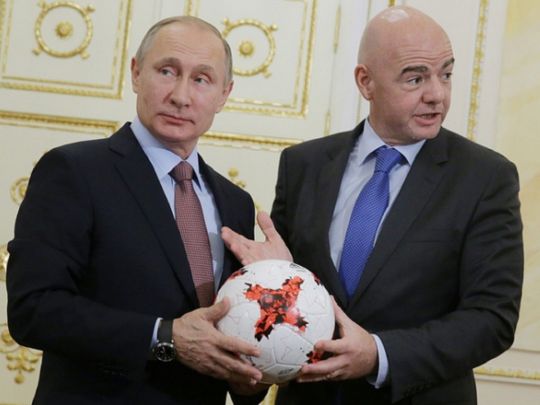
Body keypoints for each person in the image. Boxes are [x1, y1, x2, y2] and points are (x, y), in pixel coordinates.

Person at [221, 5, 523, 405]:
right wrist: (270, 279)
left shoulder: (486, 177)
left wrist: (379, 355)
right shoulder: (303, 165)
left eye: (446, 74)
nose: (437, 94)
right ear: (366, 82)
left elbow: (492, 319)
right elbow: (288, 295)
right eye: (415, 78)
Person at [7, 16, 267, 404]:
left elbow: (229, 340)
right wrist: (164, 336)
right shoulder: (73, 171)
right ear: (136, 73)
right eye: (167, 71)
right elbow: (33, 310)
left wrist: (251, 379)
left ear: (224, 94)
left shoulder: (236, 202)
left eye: (201, 79)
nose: (181, 96)